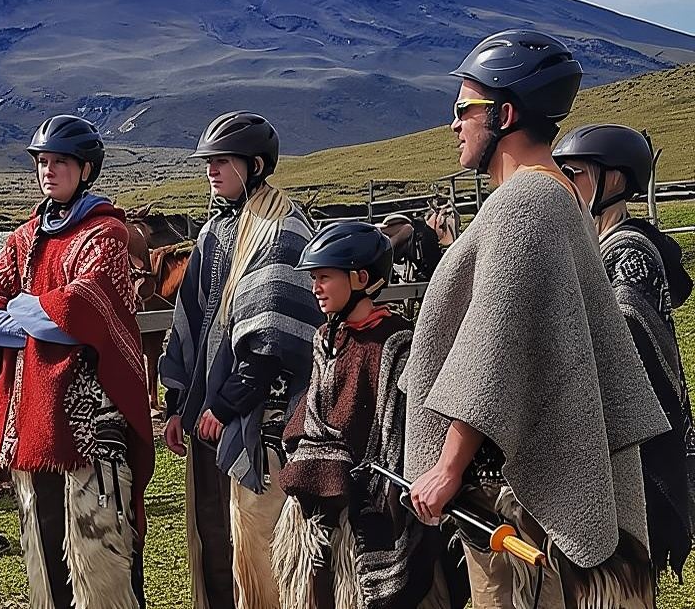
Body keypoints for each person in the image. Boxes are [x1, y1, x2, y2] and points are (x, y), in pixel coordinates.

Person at [402, 30, 669, 608]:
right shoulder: (546, 198)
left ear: (503, 113)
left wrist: (448, 467)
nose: (454, 125)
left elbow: (492, 347)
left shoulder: (527, 204)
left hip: (520, 491)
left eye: (463, 109)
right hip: (510, 475)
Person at [0, 114, 154, 609]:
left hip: (89, 418)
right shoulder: (24, 235)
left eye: (61, 162)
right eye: (43, 162)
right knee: (46, 541)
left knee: (101, 548)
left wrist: (33, 310)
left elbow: (83, 311)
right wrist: (40, 317)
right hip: (31, 412)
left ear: (86, 169)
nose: (49, 171)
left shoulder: (105, 233)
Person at [158, 111, 322, 609]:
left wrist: (226, 405)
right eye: (208, 162)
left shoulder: (281, 229)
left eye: (221, 162)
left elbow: (272, 339)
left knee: (260, 541)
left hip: (261, 420)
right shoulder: (213, 232)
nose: (211, 171)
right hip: (210, 413)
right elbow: (190, 321)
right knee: (214, 535)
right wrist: (176, 403)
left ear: (253, 165)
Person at [273, 221, 454, 609]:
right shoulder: (326, 338)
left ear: (361, 277)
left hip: (368, 498)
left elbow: (397, 432)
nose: (315, 287)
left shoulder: (396, 343)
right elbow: (316, 412)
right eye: (313, 278)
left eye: (324, 277)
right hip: (322, 501)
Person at [554, 123, 695, 582]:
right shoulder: (595, 246)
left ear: (612, 180)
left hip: (638, 439)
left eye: (573, 173)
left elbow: (625, 349)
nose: (564, 185)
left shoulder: (628, 251)